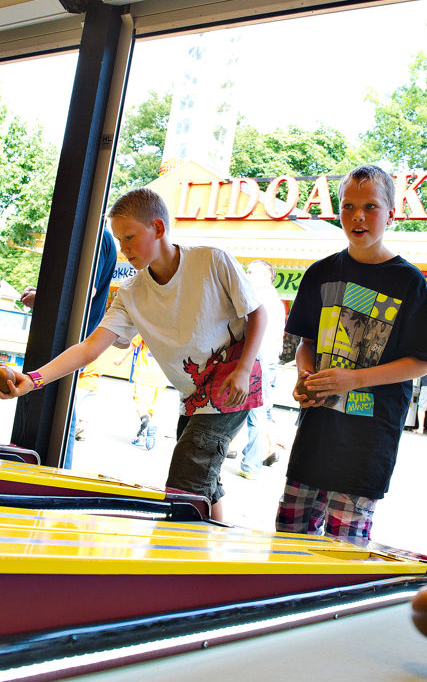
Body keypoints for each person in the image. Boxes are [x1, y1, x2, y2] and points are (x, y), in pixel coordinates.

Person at [1, 188, 266, 522]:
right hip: (194, 396)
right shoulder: (131, 292)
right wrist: (33, 380)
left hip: (233, 386)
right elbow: (88, 348)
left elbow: (258, 313)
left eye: (129, 238)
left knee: (185, 482)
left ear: (157, 228)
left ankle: (178, 566)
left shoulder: (212, 259)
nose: (123, 249)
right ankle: (214, 548)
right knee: (205, 482)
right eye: (118, 240)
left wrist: (242, 370)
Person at [277, 164, 427, 544]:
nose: (357, 217)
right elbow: (307, 343)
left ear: (392, 214)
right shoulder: (319, 273)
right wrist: (305, 375)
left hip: (367, 441)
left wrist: (354, 378)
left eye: (370, 207)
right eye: (348, 207)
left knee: (341, 552)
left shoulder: (409, 282)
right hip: (315, 435)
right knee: (288, 537)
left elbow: (421, 361)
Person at [19, 230, 117, 467]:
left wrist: (44, 299)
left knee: (59, 417)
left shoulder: (95, 235)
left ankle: (51, 487)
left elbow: (85, 292)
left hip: (71, 343)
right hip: (71, 343)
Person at [237, 259, 286, 479]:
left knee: (255, 413)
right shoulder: (274, 300)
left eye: (251, 272)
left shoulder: (260, 299)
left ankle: (251, 464)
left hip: (260, 362)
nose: (247, 275)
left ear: (266, 276)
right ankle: (264, 451)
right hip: (268, 361)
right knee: (262, 411)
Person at [114, 334, 168, 450]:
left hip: (144, 373)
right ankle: (142, 435)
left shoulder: (147, 326)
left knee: (140, 402)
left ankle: (147, 423)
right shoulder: (171, 331)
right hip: (161, 375)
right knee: (151, 406)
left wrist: (121, 358)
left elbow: (133, 344)